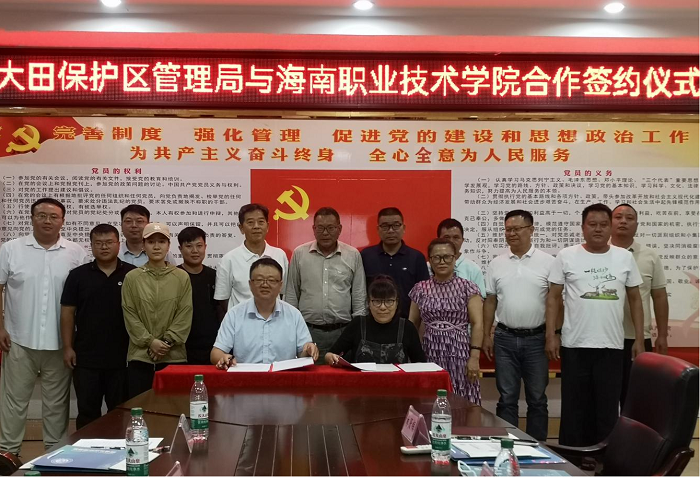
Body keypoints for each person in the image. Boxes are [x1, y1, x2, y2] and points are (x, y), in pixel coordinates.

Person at [545, 203, 645, 447]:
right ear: (583, 227)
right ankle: (573, 455)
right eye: (592, 224)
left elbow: (635, 299)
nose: (598, 229)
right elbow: (553, 297)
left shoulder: (624, 257)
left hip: (611, 346)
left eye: (603, 224)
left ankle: (604, 457)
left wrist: (639, 339)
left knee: (607, 407)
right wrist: (551, 335)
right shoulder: (566, 255)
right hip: (574, 344)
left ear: (610, 227)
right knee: (574, 407)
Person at [0, 198, 87, 456]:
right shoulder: (11, 249)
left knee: (57, 405)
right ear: (32, 218)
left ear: (63, 221)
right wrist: (1, 327)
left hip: (61, 343)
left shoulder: (76, 252)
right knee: (13, 402)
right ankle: (8, 454)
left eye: (54, 216)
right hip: (18, 340)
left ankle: (54, 455)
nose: (47, 221)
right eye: (41, 215)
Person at [482, 210, 554, 442]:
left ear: (531, 230)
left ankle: (538, 448)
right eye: (508, 230)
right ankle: (508, 447)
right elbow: (490, 301)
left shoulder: (548, 262)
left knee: (537, 398)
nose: (511, 233)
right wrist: (486, 335)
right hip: (504, 338)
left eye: (516, 229)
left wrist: (553, 335)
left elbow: (555, 302)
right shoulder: (497, 264)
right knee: (507, 398)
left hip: (537, 339)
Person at [60, 224, 136, 429]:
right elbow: (67, 312)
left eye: (109, 242)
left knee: (120, 412)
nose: (104, 247)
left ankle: (119, 448)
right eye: (98, 243)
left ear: (118, 244)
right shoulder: (78, 275)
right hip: (86, 357)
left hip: (123, 357)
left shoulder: (133, 274)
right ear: (91, 246)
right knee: (87, 412)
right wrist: (67, 347)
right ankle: (86, 450)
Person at [285, 207, 367, 362]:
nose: (325, 233)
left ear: (339, 229)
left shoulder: (352, 255)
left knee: (342, 376)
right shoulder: (300, 254)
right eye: (320, 228)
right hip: (308, 333)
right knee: (309, 376)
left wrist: (358, 332)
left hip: (343, 332)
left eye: (330, 228)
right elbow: (291, 295)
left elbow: (359, 297)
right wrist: (292, 330)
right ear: (313, 229)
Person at [408, 238, 484, 404]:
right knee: (429, 397)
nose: (442, 261)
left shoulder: (468, 287)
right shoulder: (420, 289)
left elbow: (477, 323)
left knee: (461, 396)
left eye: (447, 257)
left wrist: (474, 357)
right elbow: (412, 323)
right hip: (429, 350)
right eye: (436, 257)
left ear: (455, 258)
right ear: (430, 260)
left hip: (459, 351)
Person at [122, 222, 192, 398]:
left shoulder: (181, 277)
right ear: (143, 245)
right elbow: (130, 314)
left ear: (168, 245)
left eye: (161, 241)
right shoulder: (132, 278)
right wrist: (150, 342)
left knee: (173, 408)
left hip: (174, 356)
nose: (156, 246)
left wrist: (166, 342)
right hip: (140, 356)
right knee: (139, 407)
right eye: (151, 242)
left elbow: (185, 313)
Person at [611, 203, 669, 407]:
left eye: (629, 218)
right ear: (610, 222)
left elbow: (659, 297)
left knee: (635, 398)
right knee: (604, 397)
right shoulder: (599, 253)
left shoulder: (649, 256)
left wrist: (662, 335)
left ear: (637, 225)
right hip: (604, 338)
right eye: (618, 217)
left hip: (637, 339)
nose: (623, 221)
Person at [211, 258, 318, 368]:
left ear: (280, 285)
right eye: (259, 280)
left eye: (271, 280)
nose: (265, 285)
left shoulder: (294, 315)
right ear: (250, 284)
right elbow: (216, 353)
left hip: (283, 377)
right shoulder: (234, 314)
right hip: (246, 377)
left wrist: (308, 350)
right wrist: (224, 358)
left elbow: (303, 353)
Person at [325, 275, 425, 365]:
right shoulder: (357, 324)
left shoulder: (407, 328)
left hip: (397, 380)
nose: (382, 307)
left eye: (389, 301)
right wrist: (331, 357)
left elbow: (421, 364)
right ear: (369, 302)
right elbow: (330, 354)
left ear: (397, 303)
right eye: (377, 301)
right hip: (362, 379)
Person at [214, 203, 289, 314]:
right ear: (241, 228)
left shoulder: (279, 255)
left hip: (274, 320)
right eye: (250, 222)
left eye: (261, 222)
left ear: (267, 226)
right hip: (241, 321)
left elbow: (282, 292)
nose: (256, 226)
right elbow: (222, 298)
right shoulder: (229, 259)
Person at [360, 207, 430, 319]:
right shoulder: (366, 256)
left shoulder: (417, 257)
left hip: (407, 322)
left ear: (404, 228)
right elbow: (360, 293)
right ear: (378, 229)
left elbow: (424, 296)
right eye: (385, 226)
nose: (391, 230)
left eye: (396, 225)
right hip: (373, 322)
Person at [177, 227, 219, 365]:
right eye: (189, 246)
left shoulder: (215, 276)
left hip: (212, 346)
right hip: (182, 347)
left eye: (199, 246)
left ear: (205, 247)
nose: (195, 251)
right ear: (180, 249)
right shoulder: (173, 276)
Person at [434, 218, 486, 297]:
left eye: (456, 237)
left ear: (462, 240)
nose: (451, 241)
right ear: (438, 240)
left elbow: (480, 299)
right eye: (446, 237)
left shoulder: (473, 269)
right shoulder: (428, 267)